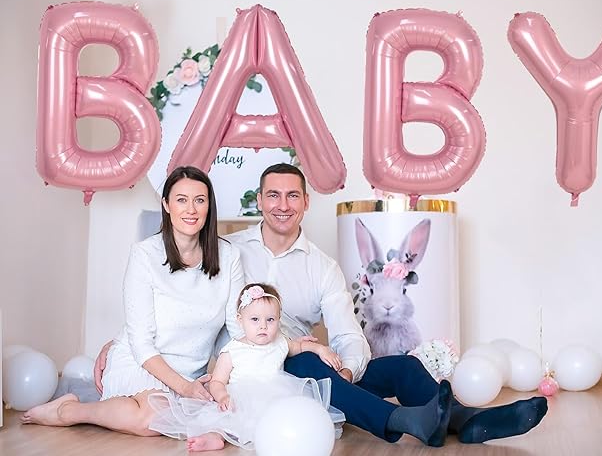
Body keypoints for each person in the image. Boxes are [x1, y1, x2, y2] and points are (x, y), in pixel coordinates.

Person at [96, 163, 547, 445]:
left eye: (292, 195)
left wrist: (347, 369)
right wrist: (119, 344)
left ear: (305, 203)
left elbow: (347, 331)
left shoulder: (322, 267)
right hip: (264, 367)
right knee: (307, 362)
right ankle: (400, 421)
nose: (282, 205)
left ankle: (467, 420)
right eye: (273, 195)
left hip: (313, 363)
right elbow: (183, 302)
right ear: (259, 201)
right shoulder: (228, 252)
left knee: (402, 367)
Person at [23, 166, 244, 437]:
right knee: (154, 420)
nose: (191, 209)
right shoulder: (145, 255)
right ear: (166, 205)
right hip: (141, 362)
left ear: (209, 206)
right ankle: (68, 411)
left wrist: (230, 375)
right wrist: (185, 388)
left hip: (190, 371)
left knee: (207, 417)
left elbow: (235, 329)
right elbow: (141, 343)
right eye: (181, 200)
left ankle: (88, 409)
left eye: (199, 200)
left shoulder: (229, 256)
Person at [147, 282, 346, 451]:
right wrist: (222, 397)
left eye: (270, 320)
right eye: (255, 320)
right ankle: (214, 437)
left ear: (278, 320)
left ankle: (284, 436)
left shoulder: (280, 342)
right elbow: (217, 381)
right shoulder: (232, 351)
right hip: (240, 398)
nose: (263, 326)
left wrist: (321, 349)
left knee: (291, 416)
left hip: (276, 395)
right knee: (226, 420)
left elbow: (300, 346)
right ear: (240, 321)